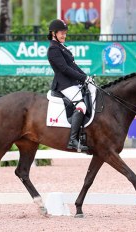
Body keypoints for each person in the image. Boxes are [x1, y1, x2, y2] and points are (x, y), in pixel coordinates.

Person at [47, 19, 91, 152]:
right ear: (53, 33)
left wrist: (87, 77)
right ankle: (73, 140)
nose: (64, 36)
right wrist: (83, 78)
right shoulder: (53, 49)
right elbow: (65, 69)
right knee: (81, 105)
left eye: (65, 33)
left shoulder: (62, 47)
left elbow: (74, 66)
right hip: (64, 84)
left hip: (72, 83)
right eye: (61, 33)